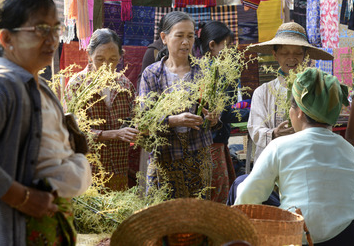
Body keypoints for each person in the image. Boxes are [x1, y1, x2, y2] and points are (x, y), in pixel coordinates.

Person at [0, 0, 92, 245]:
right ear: (6, 39)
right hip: (17, 230)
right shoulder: (2, 87)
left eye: (55, 29)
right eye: (40, 29)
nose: (52, 39)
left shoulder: (38, 85)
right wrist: (22, 197)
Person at [235, 68, 354, 245]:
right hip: (348, 238)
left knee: (240, 183)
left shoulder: (280, 146)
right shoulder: (350, 151)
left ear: (299, 112)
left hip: (301, 237)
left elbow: (246, 198)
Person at [138, 11, 219, 199]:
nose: (186, 42)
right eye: (180, 35)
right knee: (164, 217)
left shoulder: (204, 72)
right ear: (164, 38)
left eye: (190, 36)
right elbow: (144, 120)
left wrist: (213, 118)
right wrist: (174, 120)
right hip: (164, 157)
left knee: (196, 215)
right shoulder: (152, 74)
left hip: (198, 155)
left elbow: (213, 111)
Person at [246, 22, 333, 162]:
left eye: (298, 53)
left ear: (305, 55)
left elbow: (326, 129)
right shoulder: (262, 92)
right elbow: (255, 129)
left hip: (307, 160)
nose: (291, 58)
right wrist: (274, 134)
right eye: (285, 53)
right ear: (275, 55)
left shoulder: (316, 90)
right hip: (272, 162)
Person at [65, 28, 138, 191]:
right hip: (89, 171)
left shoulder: (125, 85)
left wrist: (140, 127)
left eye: (113, 59)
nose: (106, 66)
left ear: (121, 56)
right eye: (100, 59)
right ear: (89, 56)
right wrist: (114, 134)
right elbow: (74, 132)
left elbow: (135, 120)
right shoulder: (77, 86)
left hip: (118, 169)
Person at [197, 20, 249, 203]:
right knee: (217, 199)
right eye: (228, 47)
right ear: (212, 45)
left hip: (209, 144)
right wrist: (254, 111)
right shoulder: (220, 73)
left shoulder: (196, 69)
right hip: (213, 146)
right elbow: (226, 113)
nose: (232, 52)